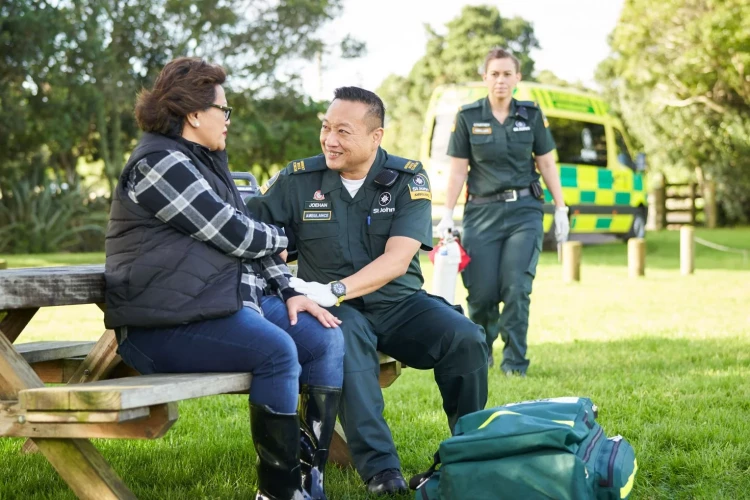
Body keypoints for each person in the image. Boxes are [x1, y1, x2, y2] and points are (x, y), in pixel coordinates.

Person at [103, 57, 344, 500]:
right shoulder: (159, 162)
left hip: (211, 306)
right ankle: (278, 491)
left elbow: (249, 244)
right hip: (161, 325)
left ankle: (311, 481)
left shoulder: (207, 161)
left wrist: (290, 290)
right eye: (224, 110)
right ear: (195, 114)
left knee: (323, 337)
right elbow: (233, 232)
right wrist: (281, 235)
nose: (228, 120)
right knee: (276, 351)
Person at [246, 87, 488, 495]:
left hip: (399, 303)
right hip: (338, 313)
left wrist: (335, 288)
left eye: (343, 131)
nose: (330, 140)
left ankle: (465, 455)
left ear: (376, 137)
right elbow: (246, 230)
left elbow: (397, 260)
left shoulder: (408, 178)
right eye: (326, 128)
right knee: (348, 342)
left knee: (465, 338)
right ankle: (381, 471)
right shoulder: (298, 179)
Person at [437, 47, 569, 376]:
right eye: (494, 74)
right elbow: (457, 172)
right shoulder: (468, 117)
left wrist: (562, 207)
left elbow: (547, 162)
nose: (500, 80)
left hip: (525, 211)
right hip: (481, 214)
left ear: (517, 78)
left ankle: (515, 363)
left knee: (516, 287)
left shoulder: (531, 114)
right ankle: (483, 353)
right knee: (480, 294)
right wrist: (447, 213)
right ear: (485, 78)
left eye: (507, 74)